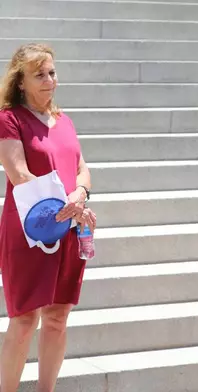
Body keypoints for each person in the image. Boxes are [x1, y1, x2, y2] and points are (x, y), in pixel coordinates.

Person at [0, 43, 97, 392]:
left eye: (52, 72)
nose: (49, 80)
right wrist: (63, 205)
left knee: (57, 317)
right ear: (21, 82)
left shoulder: (65, 120)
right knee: (24, 318)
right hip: (29, 229)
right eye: (39, 74)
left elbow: (82, 168)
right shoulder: (9, 118)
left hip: (69, 227)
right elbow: (18, 174)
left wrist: (80, 195)